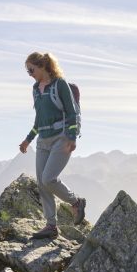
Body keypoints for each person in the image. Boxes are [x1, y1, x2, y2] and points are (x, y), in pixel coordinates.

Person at [19, 51, 86, 239]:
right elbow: (39, 119)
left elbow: (71, 113)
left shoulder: (60, 84)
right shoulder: (35, 89)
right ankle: (51, 226)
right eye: (27, 71)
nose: (29, 74)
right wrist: (28, 139)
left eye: (31, 69)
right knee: (41, 183)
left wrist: (71, 137)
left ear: (42, 66)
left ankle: (75, 202)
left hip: (61, 138)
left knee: (49, 178)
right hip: (43, 140)